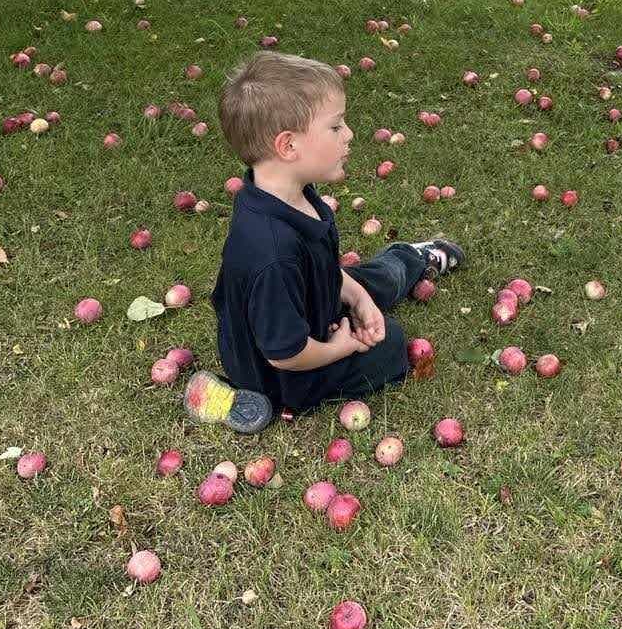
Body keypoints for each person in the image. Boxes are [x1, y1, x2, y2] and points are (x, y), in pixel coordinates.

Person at [184, 50, 462, 433]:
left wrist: (360, 298)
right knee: (392, 345)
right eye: (335, 127)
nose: (349, 134)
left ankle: (411, 260)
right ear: (288, 146)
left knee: (369, 283)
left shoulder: (288, 194)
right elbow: (286, 353)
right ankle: (245, 397)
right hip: (282, 370)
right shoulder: (273, 253)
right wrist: (341, 348)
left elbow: (325, 268)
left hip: (309, 300)